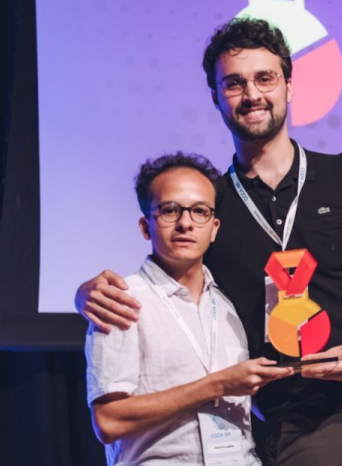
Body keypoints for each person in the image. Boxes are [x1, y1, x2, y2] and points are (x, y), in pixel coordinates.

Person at [77, 19, 342, 465]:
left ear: (289, 86)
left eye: (265, 78)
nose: (252, 95)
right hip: (305, 425)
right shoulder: (211, 206)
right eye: (234, 83)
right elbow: (165, 272)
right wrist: (85, 293)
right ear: (216, 97)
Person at [85, 152, 292, 465]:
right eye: (170, 210)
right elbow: (109, 421)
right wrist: (217, 385)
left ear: (214, 228)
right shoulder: (120, 301)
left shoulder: (226, 304)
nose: (185, 223)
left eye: (199, 211)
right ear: (145, 226)